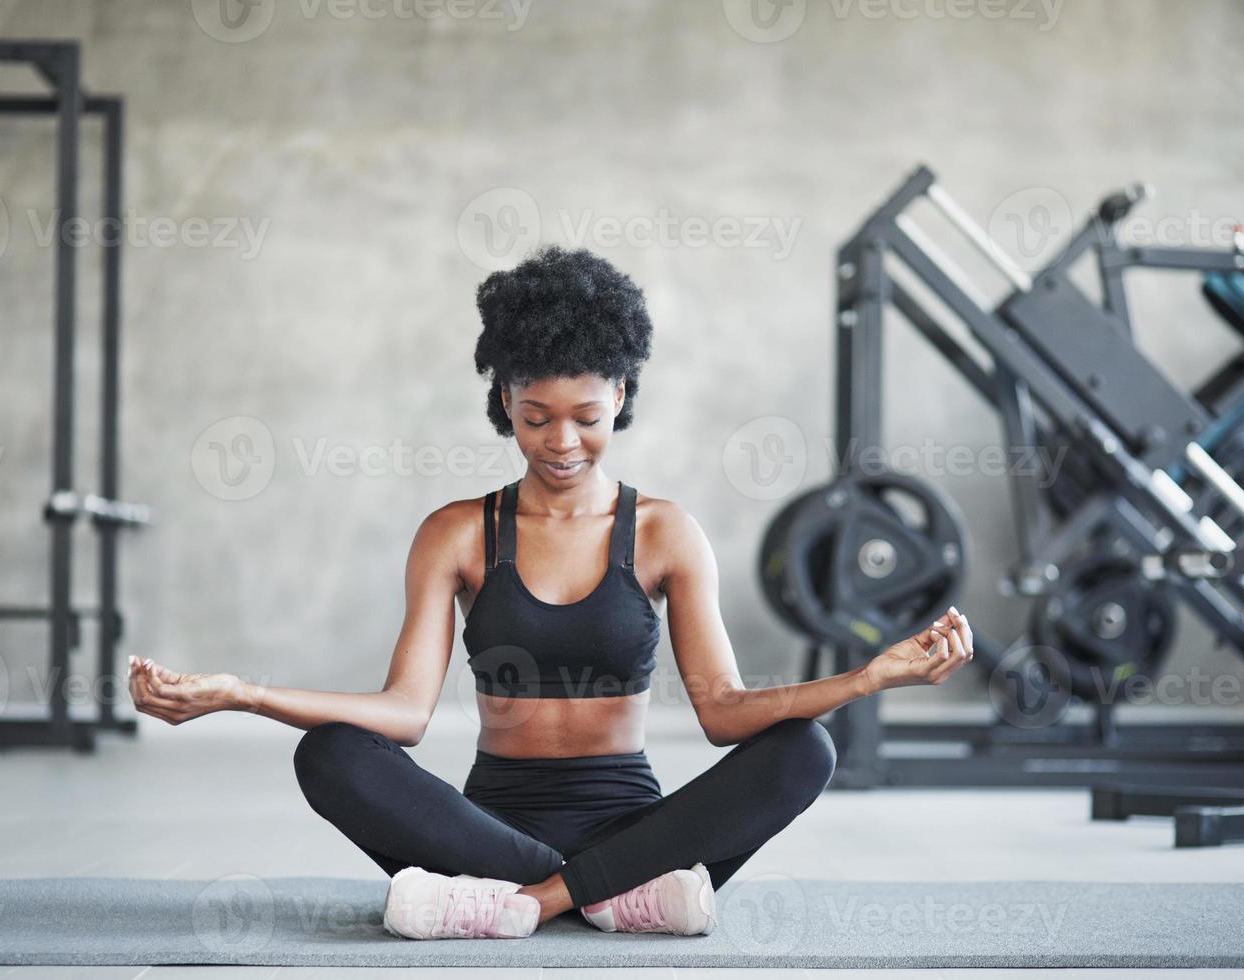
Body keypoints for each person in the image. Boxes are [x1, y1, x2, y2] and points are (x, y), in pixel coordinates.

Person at [128, 245, 975, 941]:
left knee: (805, 750)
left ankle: (525, 905)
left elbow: (723, 711)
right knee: (331, 753)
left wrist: (867, 680)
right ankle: (609, 900)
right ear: (504, 402)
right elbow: (404, 713)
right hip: (485, 830)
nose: (562, 441)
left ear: (621, 399)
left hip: (634, 827)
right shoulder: (457, 532)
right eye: (536, 416)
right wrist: (242, 694)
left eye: (587, 415)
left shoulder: (665, 533)